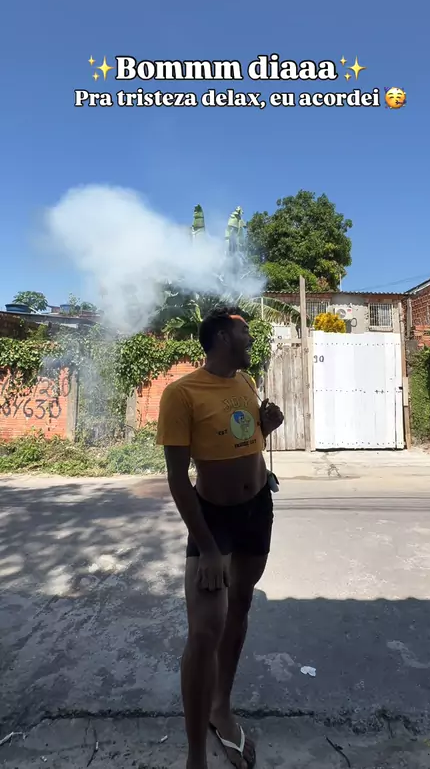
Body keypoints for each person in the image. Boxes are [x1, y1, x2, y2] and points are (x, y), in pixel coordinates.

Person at [156, 306, 284, 769]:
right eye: (245, 332)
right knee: (204, 630)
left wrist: (266, 428)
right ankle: (196, 755)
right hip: (214, 521)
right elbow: (177, 478)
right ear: (223, 339)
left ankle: (221, 708)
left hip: (257, 510)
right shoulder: (181, 393)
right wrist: (207, 547)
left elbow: (243, 439)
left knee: (240, 607)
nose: (251, 339)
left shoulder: (245, 382)